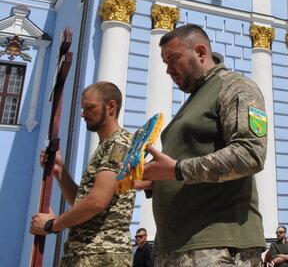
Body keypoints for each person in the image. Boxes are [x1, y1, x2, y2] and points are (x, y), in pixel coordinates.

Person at [141, 24, 268, 266]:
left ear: (200, 52)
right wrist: (150, 179)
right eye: (164, 62)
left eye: (173, 59)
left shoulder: (234, 86)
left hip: (215, 245)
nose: (168, 69)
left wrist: (178, 169)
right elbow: (184, 165)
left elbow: (250, 154)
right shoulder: (194, 100)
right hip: (175, 246)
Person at [29, 82, 134, 267]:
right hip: (86, 254)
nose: (83, 114)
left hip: (101, 254)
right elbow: (84, 200)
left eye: (89, 108)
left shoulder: (119, 144)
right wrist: (59, 171)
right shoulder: (106, 145)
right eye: (83, 108)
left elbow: (97, 202)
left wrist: (51, 225)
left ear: (111, 106)